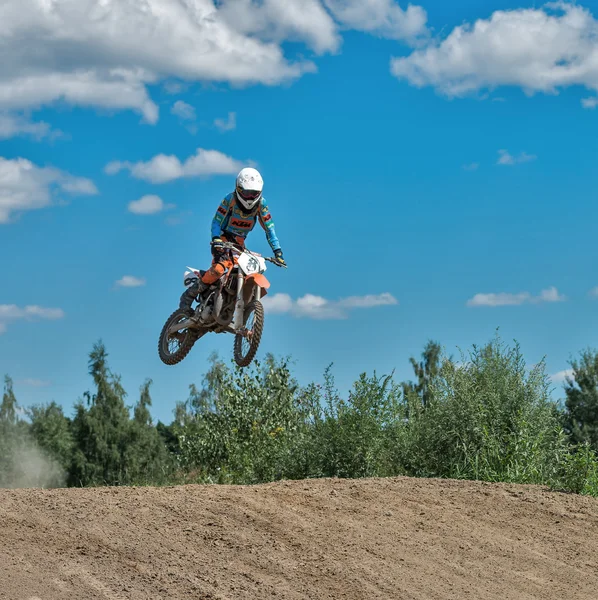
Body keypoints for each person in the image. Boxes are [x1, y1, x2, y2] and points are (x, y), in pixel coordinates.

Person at [179, 167, 285, 312]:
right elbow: (216, 221)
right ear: (239, 188)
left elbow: (269, 228)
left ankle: (233, 306)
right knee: (219, 269)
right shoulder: (230, 200)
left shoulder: (261, 204)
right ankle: (188, 296)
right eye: (246, 193)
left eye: (253, 194)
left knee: (249, 270)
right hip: (222, 238)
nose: (249, 197)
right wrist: (216, 238)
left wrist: (277, 251)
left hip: (239, 243)